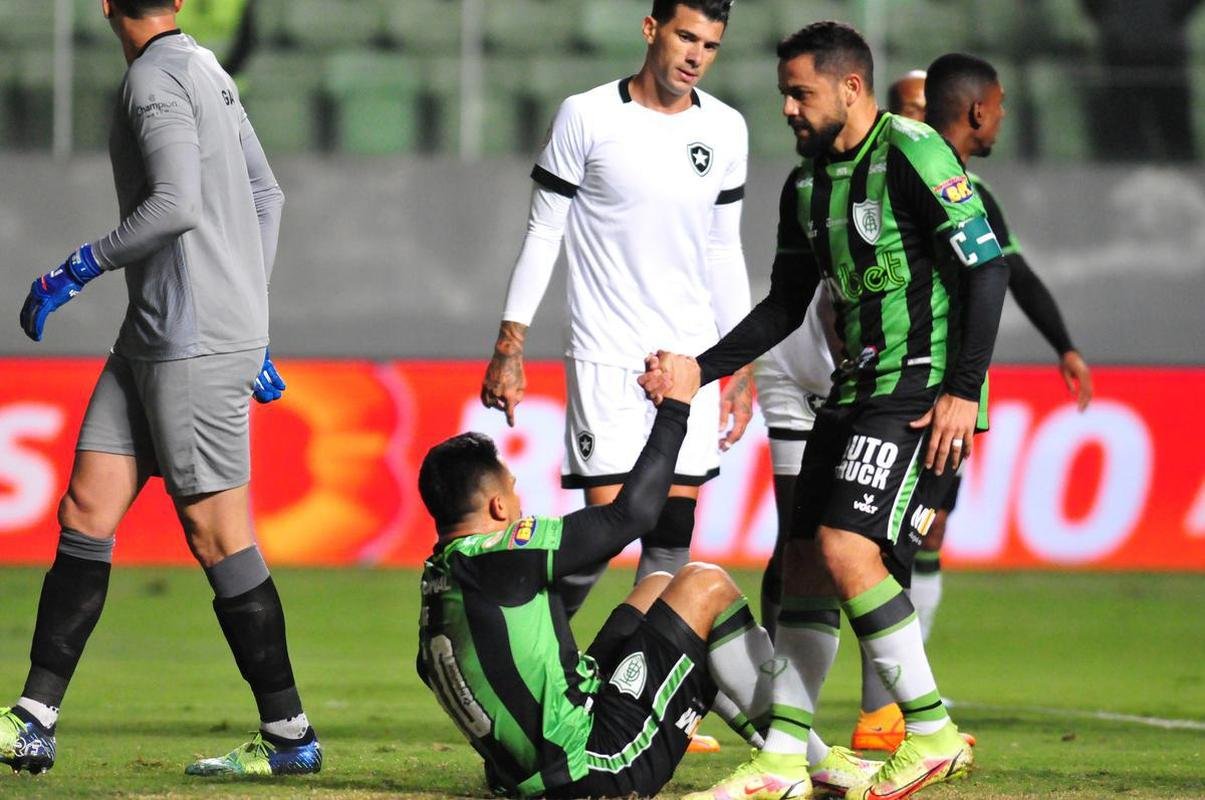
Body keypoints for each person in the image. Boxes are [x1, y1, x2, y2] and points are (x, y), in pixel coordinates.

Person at [643, 21, 1012, 800]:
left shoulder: (910, 150)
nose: (786, 107)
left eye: (799, 92)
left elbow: (985, 271)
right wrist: (699, 373)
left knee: (848, 548)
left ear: (850, 86)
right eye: (783, 92)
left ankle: (931, 731)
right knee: (804, 565)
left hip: (916, 388)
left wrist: (961, 390)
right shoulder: (806, 185)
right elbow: (783, 304)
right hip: (848, 391)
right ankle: (781, 761)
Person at [2, 0, 314, 777]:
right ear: (178, 1)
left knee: (218, 536)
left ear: (106, 4)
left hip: (191, 339)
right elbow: (267, 198)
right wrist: (251, 306)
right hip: (157, 331)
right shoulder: (208, 68)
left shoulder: (151, 82)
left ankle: (288, 736)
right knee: (85, 508)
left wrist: (75, 268)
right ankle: (34, 719)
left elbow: (172, 207)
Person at [845, 62, 1096, 753]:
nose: (914, 118)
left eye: (922, 106)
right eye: (905, 107)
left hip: (948, 393)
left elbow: (1007, 271)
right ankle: (892, 706)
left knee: (922, 533)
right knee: (870, 543)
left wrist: (1063, 345)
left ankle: (897, 695)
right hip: (903, 388)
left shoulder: (971, 192)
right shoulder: (879, 178)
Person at [479, 0, 755, 616]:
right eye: (686, 37)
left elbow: (722, 250)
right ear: (651, 28)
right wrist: (510, 348)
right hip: (608, 356)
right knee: (606, 532)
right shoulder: (587, 116)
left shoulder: (727, 128)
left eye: (710, 46)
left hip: (692, 363)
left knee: (670, 542)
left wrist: (739, 370)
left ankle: (639, 691)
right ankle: (526, 658)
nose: (695, 57)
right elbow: (543, 233)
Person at [420, 353, 788, 798]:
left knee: (658, 587)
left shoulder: (439, 579)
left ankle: (784, 749)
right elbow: (632, 515)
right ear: (498, 507)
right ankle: (793, 758)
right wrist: (676, 407)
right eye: (514, 493)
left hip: (538, 767)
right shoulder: (503, 553)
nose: (520, 505)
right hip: (596, 766)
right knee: (705, 585)